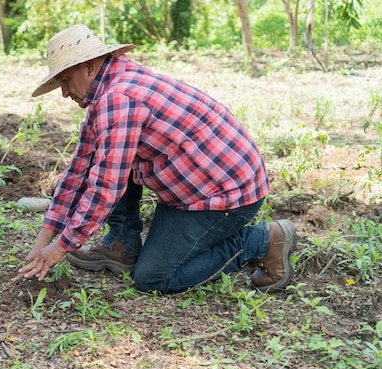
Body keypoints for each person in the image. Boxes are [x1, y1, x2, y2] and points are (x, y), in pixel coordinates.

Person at [16, 24, 297, 294]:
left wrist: (59, 249)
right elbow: (78, 172)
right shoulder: (106, 92)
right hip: (197, 184)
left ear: (89, 66)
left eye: (64, 80)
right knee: (110, 158)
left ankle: (261, 241)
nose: (64, 92)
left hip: (226, 193)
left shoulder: (119, 98)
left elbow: (104, 189)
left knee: (155, 276)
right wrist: (41, 243)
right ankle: (122, 245)